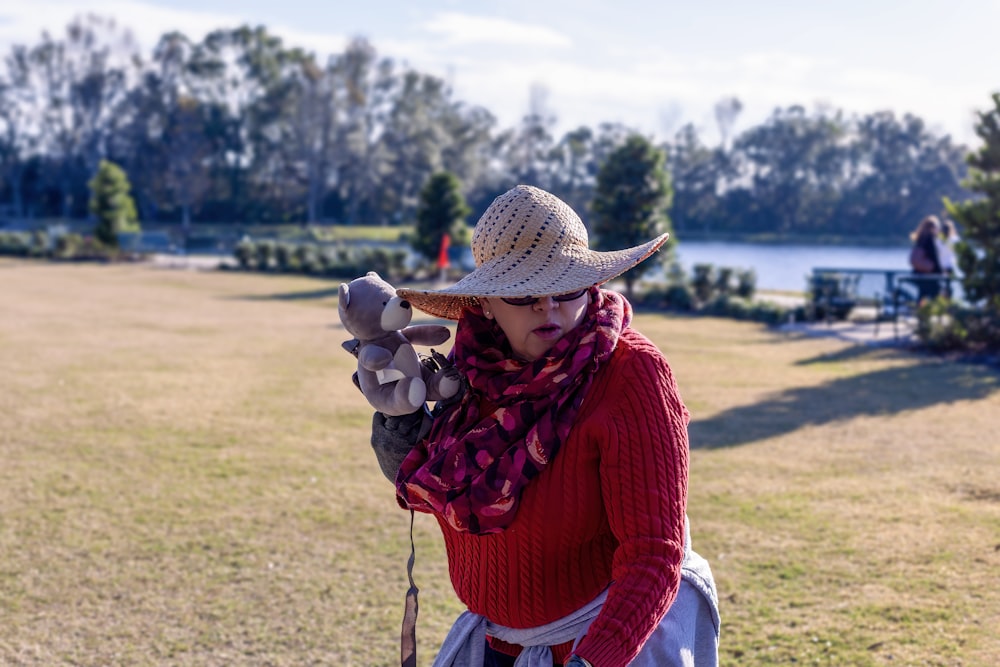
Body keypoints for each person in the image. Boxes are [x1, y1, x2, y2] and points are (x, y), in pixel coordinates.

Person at [365, 185, 720, 666]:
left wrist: (591, 661)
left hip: (605, 645)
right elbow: (448, 495)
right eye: (524, 291)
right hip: (493, 641)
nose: (547, 305)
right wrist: (400, 419)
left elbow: (655, 553)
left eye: (567, 286)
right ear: (486, 302)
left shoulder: (632, 373)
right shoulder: (471, 370)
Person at [907, 215, 943, 302]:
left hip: (918, 273)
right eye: (937, 227)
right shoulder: (930, 239)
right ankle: (934, 312)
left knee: (923, 294)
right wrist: (940, 272)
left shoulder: (920, 238)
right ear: (932, 228)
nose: (938, 230)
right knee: (935, 293)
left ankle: (921, 312)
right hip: (929, 275)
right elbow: (934, 257)